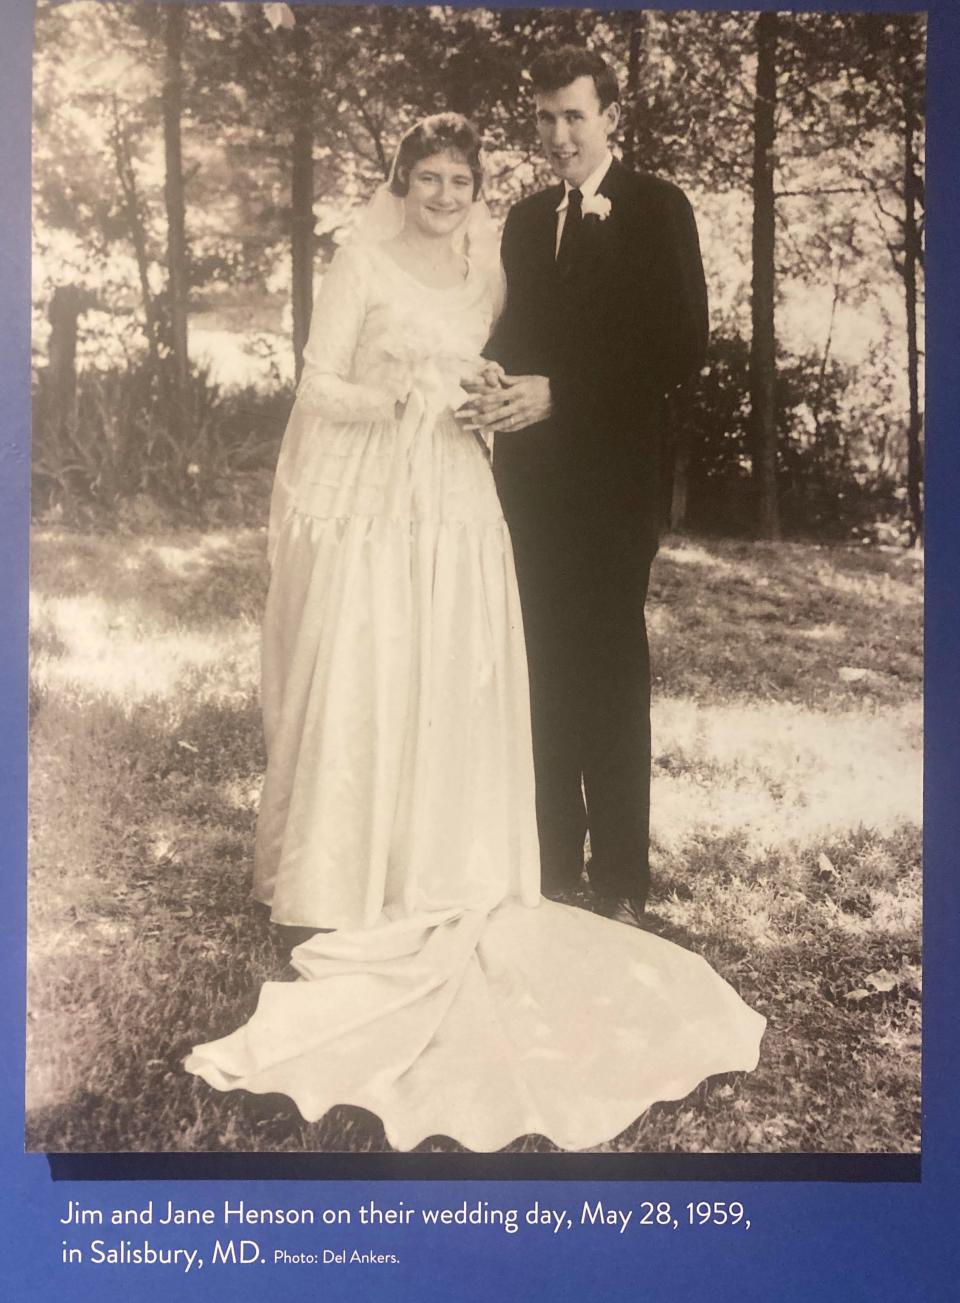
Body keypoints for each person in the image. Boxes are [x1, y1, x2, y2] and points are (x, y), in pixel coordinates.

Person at [185, 112, 763, 1153]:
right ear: (400, 180)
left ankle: (443, 864)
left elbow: (516, 357)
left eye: (461, 179)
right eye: (429, 178)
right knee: (372, 670)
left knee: (453, 673)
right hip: (372, 495)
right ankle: (340, 876)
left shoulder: (492, 263)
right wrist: (394, 398)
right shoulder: (359, 260)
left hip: (455, 494)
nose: (446, 195)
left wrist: (491, 396)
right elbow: (316, 385)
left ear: (475, 186)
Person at [473, 47, 708, 926]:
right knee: (538, 657)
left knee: (607, 660)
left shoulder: (658, 207)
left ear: (612, 117)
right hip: (528, 478)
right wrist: (495, 380)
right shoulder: (527, 221)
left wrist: (562, 391)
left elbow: (682, 343)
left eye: (575, 116)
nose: (560, 134)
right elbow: (518, 330)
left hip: (613, 478)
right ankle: (548, 860)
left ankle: (618, 876)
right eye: (545, 118)